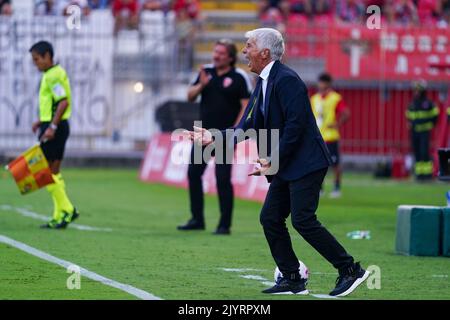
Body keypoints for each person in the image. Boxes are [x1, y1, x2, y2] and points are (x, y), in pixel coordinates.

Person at [187, 28, 369, 296]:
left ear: (264, 53)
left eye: (248, 46)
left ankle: (350, 270)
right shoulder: (262, 82)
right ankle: (293, 277)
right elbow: (245, 127)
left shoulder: (287, 80)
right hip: (286, 163)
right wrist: (213, 137)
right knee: (270, 218)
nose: (244, 51)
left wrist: (272, 158)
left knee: (303, 220)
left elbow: (296, 127)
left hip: (306, 161)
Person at [177, 39, 251, 235]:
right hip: (203, 134)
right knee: (193, 174)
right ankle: (197, 219)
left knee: (222, 178)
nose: (216, 55)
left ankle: (224, 224)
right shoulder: (206, 72)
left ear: (231, 57)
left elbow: (245, 106)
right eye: (215, 51)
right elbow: (190, 96)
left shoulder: (239, 76)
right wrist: (201, 85)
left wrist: (236, 130)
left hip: (224, 136)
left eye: (221, 53)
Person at [30, 41, 79, 229]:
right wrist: (41, 121)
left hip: (55, 129)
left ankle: (67, 209)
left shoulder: (52, 75)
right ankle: (59, 216)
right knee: (54, 173)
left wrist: (50, 126)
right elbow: (53, 102)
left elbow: (63, 102)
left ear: (48, 56)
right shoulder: (53, 73)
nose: (36, 63)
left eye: (37, 59)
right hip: (56, 126)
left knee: (46, 173)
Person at [310, 73, 350, 198]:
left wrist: (337, 124)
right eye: (319, 82)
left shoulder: (335, 98)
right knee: (316, 164)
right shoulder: (314, 98)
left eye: (322, 82)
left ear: (327, 84)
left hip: (330, 136)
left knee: (335, 164)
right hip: (317, 136)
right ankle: (319, 188)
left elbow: (346, 113)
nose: (320, 85)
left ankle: (337, 187)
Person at [406, 80, 439, 181]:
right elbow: (409, 116)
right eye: (415, 90)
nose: (416, 92)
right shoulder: (412, 104)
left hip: (425, 132)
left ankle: (427, 174)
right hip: (415, 132)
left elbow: (435, 114)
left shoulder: (428, 103)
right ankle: (419, 174)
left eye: (418, 90)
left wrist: (430, 125)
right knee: (417, 153)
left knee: (424, 152)